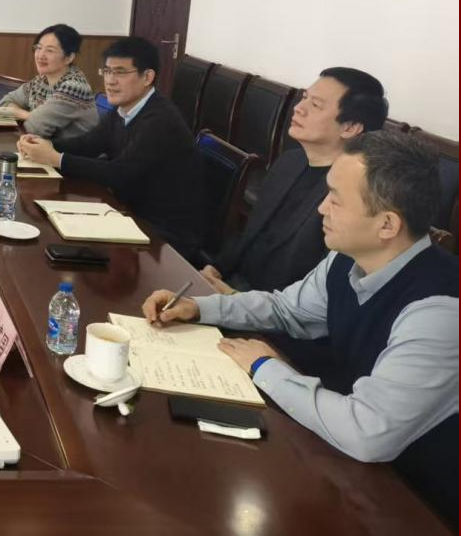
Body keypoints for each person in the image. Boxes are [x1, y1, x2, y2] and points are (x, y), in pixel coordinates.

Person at [142, 131, 458, 524]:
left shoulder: (440, 310)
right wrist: (200, 307)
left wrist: (265, 368)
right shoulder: (348, 258)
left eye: (335, 199)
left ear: (387, 224)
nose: (321, 208)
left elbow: (368, 432)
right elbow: (285, 309)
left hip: (413, 500)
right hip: (342, 459)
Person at [204, 68, 387, 293]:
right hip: (230, 287)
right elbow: (251, 234)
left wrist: (237, 299)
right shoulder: (290, 161)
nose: (299, 108)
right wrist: (216, 267)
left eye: (315, 105)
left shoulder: (355, 195)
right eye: (304, 98)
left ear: (349, 127)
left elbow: (322, 290)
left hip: (277, 307)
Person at [17, 37, 204, 255]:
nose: (111, 80)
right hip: (127, 212)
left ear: (147, 77)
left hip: (162, 235)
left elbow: (119, 173)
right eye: (107, 71)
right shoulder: (124, 108)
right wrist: (46, 145)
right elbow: (89, 143)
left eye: (120, 72)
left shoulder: (160, 120)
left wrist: (56, 158)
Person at [0, 23, 99, 141]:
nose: (40, 55)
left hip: (68, 151)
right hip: (44, 147)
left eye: (50, 50)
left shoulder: (74, 87)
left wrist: (28, 116)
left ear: (69, 58)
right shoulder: (41, 81)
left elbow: (35, 128)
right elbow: (4, 103)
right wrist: (30, 116)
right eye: (39, 48)